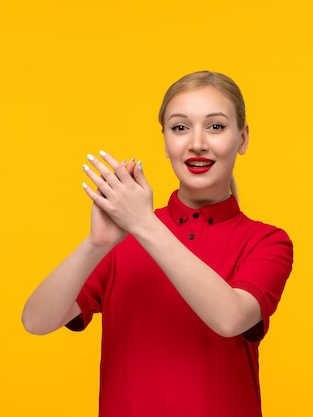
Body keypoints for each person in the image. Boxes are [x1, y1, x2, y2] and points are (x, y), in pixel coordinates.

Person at [22, 71, 294, 417]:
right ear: (165, 142)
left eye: (215, 126)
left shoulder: (267, 241)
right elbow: (36, 321)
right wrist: (96, 243)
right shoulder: (122, 240)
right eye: (180, 128)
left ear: (242, 138)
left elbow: (230, 318)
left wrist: (143, 223)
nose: (197, 143)